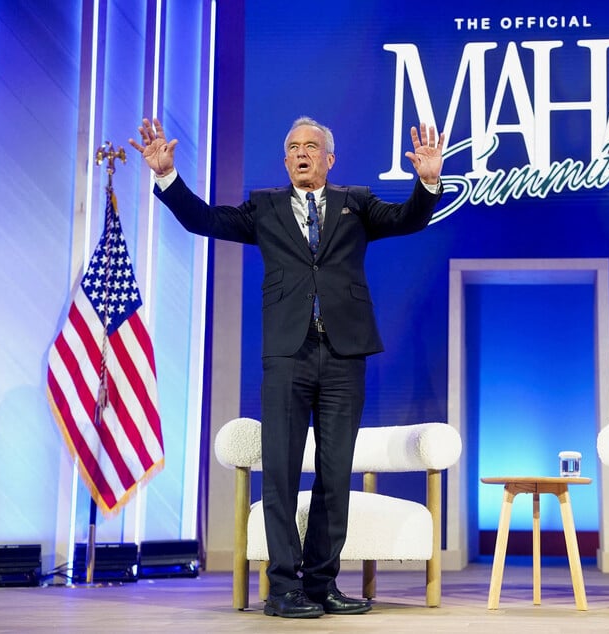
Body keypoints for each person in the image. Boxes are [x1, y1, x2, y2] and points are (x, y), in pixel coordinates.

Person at [130, 116, 444, 618]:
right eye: (294, 147)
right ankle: (282, 589)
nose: (302, 153)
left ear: (329, 159)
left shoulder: (355, 203)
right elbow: (204, 220)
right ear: (286, 159)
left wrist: (428, 182)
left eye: (312, 147)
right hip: (287, 355)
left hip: (344, 354)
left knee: (335, 474)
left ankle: (321, 585)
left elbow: (408, 218)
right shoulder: (266, 207)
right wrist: (167, 176)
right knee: (279, 472)